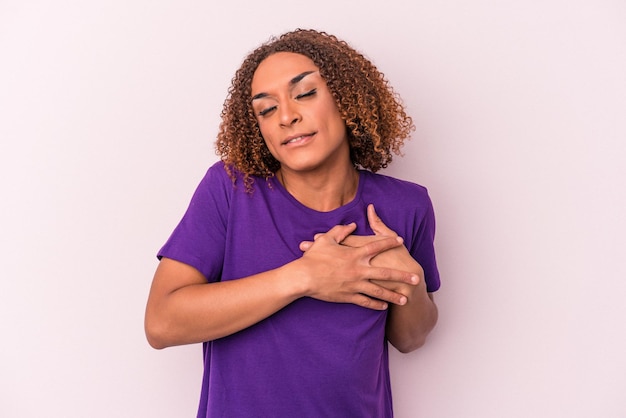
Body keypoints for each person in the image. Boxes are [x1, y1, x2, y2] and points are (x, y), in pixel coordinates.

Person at [145, 29, 440, 417]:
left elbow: (409, 338)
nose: (287, 116)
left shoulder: (406, 204)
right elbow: (162, 323)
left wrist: (410, 281)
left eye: (305, 93)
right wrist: (304, 277)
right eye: (266, 109)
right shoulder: (232, 190)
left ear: (346, 99)